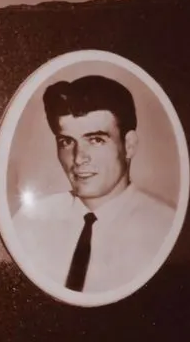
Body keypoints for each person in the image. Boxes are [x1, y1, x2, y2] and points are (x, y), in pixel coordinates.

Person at [11, 74, 176, 294]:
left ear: (129, 145)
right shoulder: (27, 224)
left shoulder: (165, 229)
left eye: (96, 140)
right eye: (67, 142)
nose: (79, 158)